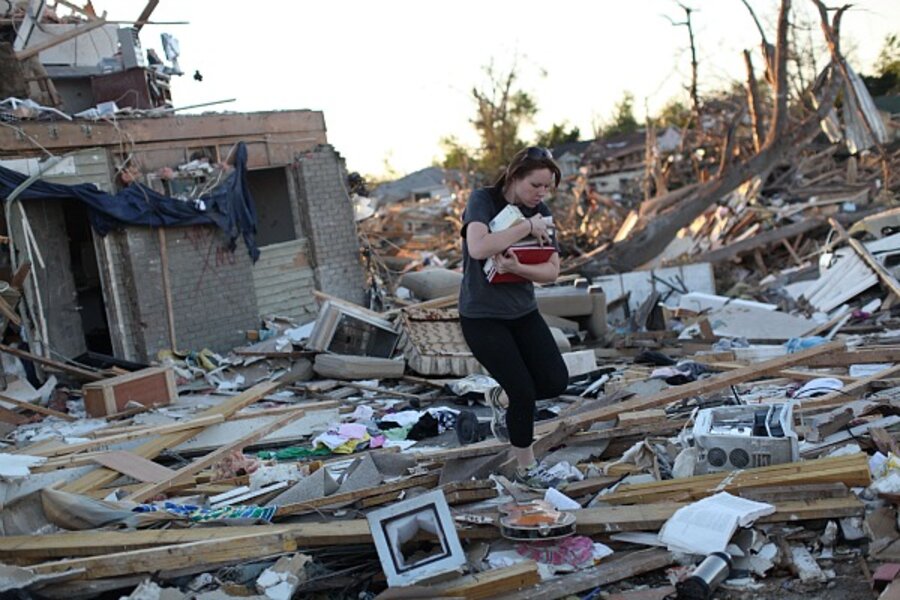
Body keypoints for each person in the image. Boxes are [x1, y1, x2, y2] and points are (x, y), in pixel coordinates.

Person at [458, 146, 569, 487]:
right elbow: (478, 247)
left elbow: (551, 271)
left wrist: (517, 266)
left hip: (523, 312)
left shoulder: (540, 211)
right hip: (482, 317)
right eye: (536, 185)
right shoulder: (484, 200)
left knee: (555, 382)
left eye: (547, 187)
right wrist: (525, 228)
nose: (542, 193)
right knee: (523, 393)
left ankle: (499, 397)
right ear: (515, 176)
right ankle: (527, 470)